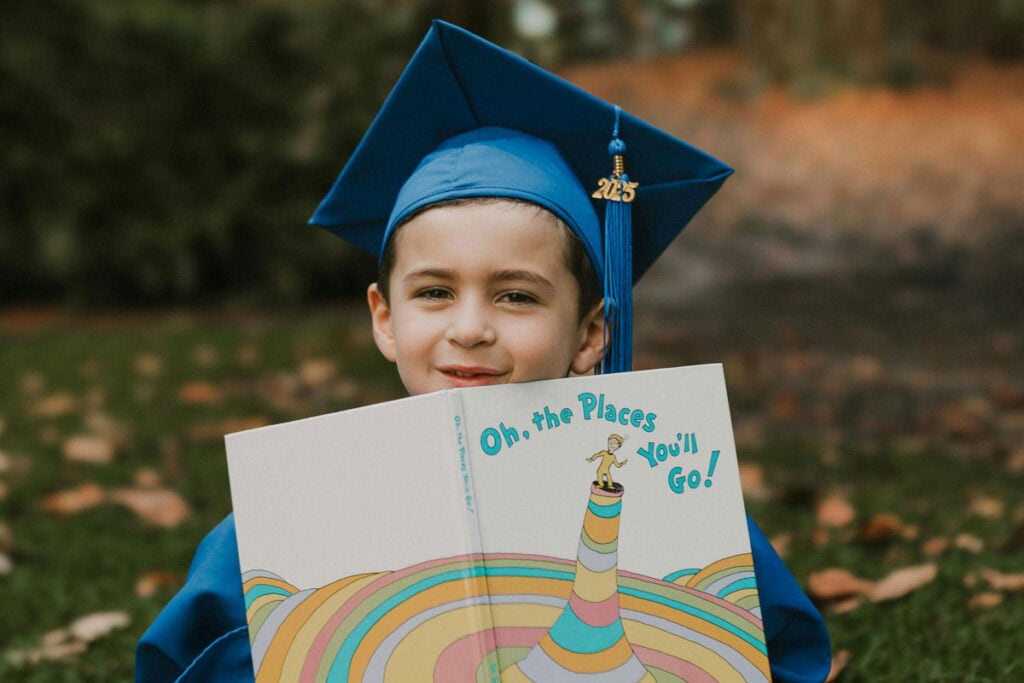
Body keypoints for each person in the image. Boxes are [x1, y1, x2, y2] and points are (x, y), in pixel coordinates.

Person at [136, 20, 831, 683]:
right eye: (434, 292)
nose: (470, 328)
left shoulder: (676, 509)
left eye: (517, 296)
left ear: (592, 334)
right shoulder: (295, 511)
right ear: (383, 317)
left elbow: (771, 652)